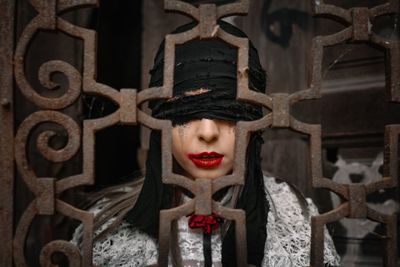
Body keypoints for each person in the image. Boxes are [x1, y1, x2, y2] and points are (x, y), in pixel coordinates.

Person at [72, 21, 341, 266]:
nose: (208, 132)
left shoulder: (295, 219)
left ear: (255, 118)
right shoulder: (105, 227)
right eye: (186, 111)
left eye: (229, 111)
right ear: (159, 120)